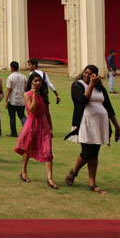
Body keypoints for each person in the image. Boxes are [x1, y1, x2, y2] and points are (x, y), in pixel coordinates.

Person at [64, 65, 120, 193]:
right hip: (85, 124)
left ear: (96, 76)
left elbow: (109, 107)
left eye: (90, 74)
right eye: (85, 72)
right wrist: (91, 84)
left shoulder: (100, 88)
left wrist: (117, 126)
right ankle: (74, 172)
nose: (87, 75)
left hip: (99, 125)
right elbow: (83, 100)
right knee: (87, 152)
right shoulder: (77, 85)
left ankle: (92, 183)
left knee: (94, 153)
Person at [14, 72, 57, 188]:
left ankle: (50, 178)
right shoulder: (27, 94)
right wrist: (33, 95)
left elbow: (47, 112)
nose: (38, 83)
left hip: (43, 125)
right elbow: (32, 109)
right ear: (31, 82)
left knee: (47, 150)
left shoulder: (44, 94)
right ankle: (23, 171)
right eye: (35, 81)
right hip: (32, 125)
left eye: (39, 81)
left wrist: (50, 127)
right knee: (28, 148)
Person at [5, 61, 28, 137]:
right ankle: (27, 130)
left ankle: (13, 132)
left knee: (12, 117)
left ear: (11, 68)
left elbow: (8, 90)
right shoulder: (24, 77)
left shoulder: (10, 77)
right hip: (21, 100)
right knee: (22, 116)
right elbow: (26, 88)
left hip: (12, 100)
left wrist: (6, 101)